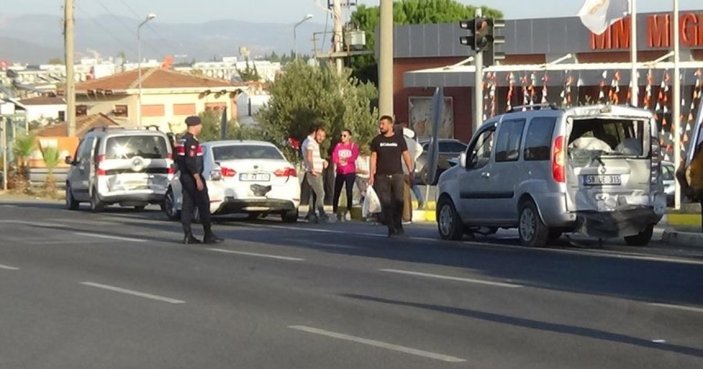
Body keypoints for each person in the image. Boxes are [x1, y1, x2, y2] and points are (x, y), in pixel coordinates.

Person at [176, 116, 223, 244]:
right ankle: (208, 235)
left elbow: (178, 159)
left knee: (187, 205)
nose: (201, 127)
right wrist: (197, 177)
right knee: (203, 204)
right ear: (195, 126)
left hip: (185, 176)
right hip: (193, 176)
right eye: (200, 125)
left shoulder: (181, 140)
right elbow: (190, 161)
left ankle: (188, 235)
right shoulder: (191, 141)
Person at [369, 115, 414, 237]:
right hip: (381, 176)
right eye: (380, 124)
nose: (381, 126)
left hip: (397, 175)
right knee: (386, 202)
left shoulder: (399, 139)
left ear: (390, 125)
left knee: (399, 201)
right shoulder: (377, 140)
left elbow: (406, 154)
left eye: (383, 123)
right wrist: (371, 174)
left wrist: (411, 170)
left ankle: (398, 224)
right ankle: (391, 227)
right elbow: (373, 157)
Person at [396, 124, 423, 224]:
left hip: (401, 169)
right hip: (409, 169)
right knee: (408, 192)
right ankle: (408, 215)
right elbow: (420, 149)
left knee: (402, 194)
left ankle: (405, 216)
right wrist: (414, 158)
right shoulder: (412, 143)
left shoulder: (399, 142)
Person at [302, 125, 329, 223]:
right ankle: (321, 213)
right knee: (321, 193)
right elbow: (309, 156)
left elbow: (313, 156)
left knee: (314, 194)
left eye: (323, 136)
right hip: (314, 172)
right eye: (319, 135)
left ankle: (311, 213)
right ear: (315, 133)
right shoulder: (310, 142)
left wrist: (322, 161)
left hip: (316, 170)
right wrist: (312, 168)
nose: (322, 138)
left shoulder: (311, 142)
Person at [332, 129, 359, 221]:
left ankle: (348, 211)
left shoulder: (352, 146)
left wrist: (345, 159)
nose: (342, 137)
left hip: (350, 172)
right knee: (336, 191)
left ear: (349, 137)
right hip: (340, 171)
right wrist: (338, 160)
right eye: (341, 135)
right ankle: (334, 212)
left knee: (349, 191)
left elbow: (354, 156)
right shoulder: (338, 146)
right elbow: (334, 156)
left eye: (344, 136)